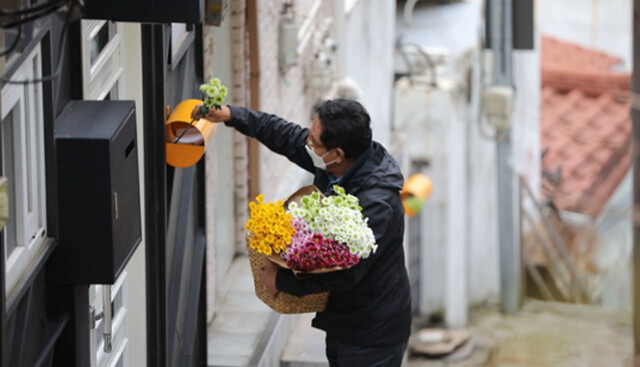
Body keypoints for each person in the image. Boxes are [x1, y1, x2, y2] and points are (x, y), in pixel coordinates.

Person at [192, 99, 411, 367]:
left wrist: (281, 282)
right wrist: (231, 115)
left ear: (337, 154)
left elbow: (347, 271)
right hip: (346, 320)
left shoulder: (376, 203)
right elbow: (284, 134)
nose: (307, 144)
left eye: (314, 141)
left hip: (373, 333)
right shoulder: (335, 164)